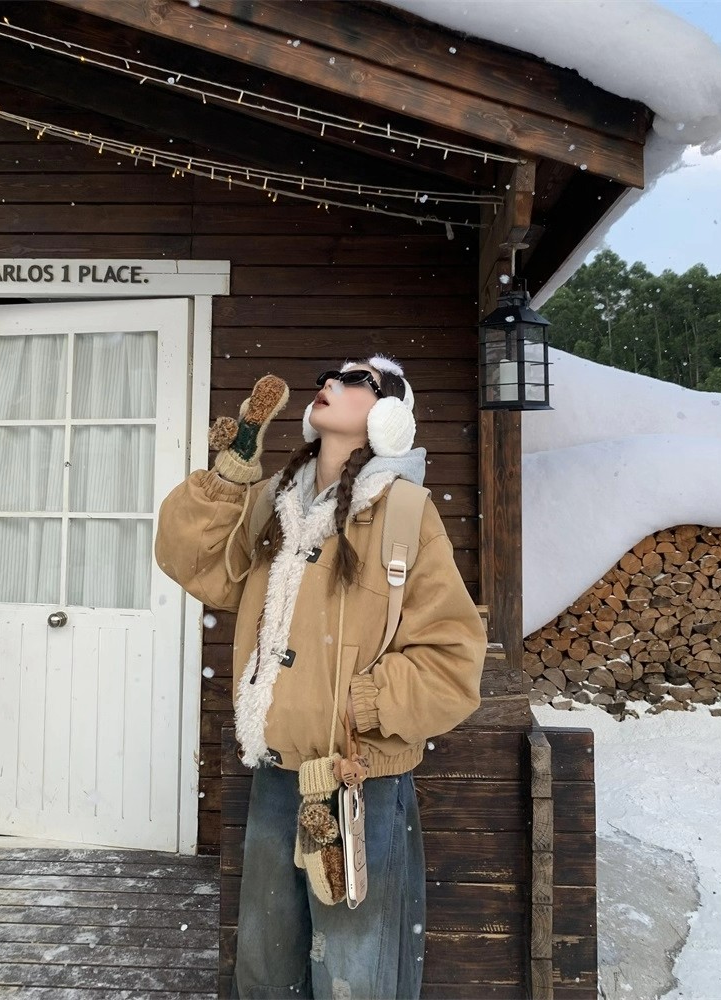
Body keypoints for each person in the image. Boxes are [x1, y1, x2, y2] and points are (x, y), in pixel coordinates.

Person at [155, 354, 488, 1000]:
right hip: (277, 777)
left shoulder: (405, 514)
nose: (330, 382)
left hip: (359, 785)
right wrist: (232, 470)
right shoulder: (277, 502)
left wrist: (359, 704)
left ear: (389, 414)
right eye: (331, 376)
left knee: (352, 977)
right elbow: (191, 559)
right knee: (265, 970)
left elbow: (453, 659)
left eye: (356, 379)